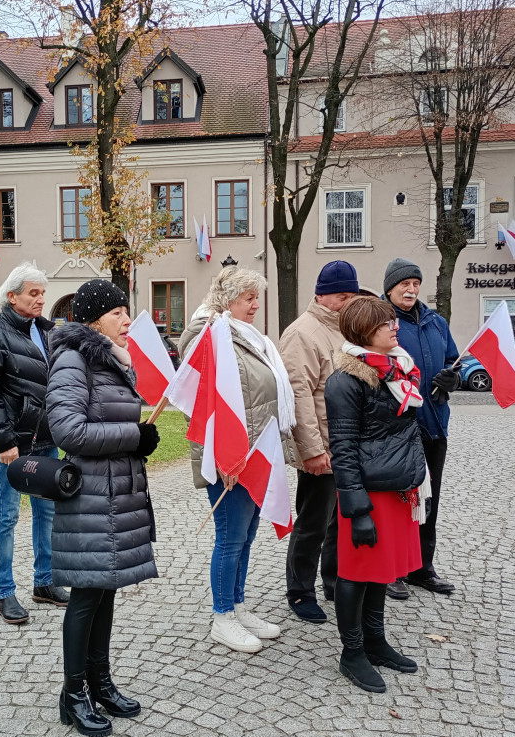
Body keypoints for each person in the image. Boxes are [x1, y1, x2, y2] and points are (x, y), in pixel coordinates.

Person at [46, 278, 160, 737]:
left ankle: (100, 681)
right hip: (91, 496)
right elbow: (68, 432)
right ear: (94, 319)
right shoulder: (74, 360)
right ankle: (73, 695)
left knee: (107, 589)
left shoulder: (112, 360)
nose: (127, 319)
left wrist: (136, 442)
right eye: (118, 313)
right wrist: (134, 437)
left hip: (117, 494)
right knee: (87, 595)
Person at [179, 266, 296, 654]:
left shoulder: (254, 338)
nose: (256, 305)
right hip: (228, 454)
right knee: (230, 538)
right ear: (227, 298)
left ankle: (239, 605)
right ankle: (222, 617)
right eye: (248, 298)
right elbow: (201, 398)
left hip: (257, 451)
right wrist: (225, 454)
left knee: (245, 535)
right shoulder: (206, 333)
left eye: (256, 297)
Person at [324, 296, 428, 693]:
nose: (395, 326)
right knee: (355, 573)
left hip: (397, 486)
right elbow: (344, 449)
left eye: (393, 321)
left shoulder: (397, 371)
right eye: (386, 323)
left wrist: (438, 390)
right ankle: (352, 653)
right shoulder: (346, 381)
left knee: (381, 572)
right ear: (365, 331)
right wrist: (357, 508)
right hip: (367, 493)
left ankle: (375, 641)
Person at [0, 263, 68, 624]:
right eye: (33, 293)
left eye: (43, 293)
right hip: (13, 445)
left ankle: (45, 582)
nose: (41, 299)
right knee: (7, 518)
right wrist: (4, 440)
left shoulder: (48, 330)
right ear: (12, 297)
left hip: (47, 439)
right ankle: (3, 592)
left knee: (48, 514)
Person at [278, 260, 359, 623]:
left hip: (347, 444)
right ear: (322, 295)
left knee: (341, 520)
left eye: (352, 295)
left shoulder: (348, 329)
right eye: (342, 296)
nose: (348, 302)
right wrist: (312, 450)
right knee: (313, 521)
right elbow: (299, 394)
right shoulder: (302, 333)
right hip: (322, 447)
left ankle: (333, 580)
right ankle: (300, 592)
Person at [382, 257, 460, 599]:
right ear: (390, 289)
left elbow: (453, 360)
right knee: (400, 499)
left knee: (430, 501)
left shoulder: (436, 322)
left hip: (434, 424)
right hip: (400, 428)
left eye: (415, 283)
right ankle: (392, 569)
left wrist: (451, 378)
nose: (411, 289)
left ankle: (422, 568)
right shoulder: (383, 323)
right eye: (404, 284)